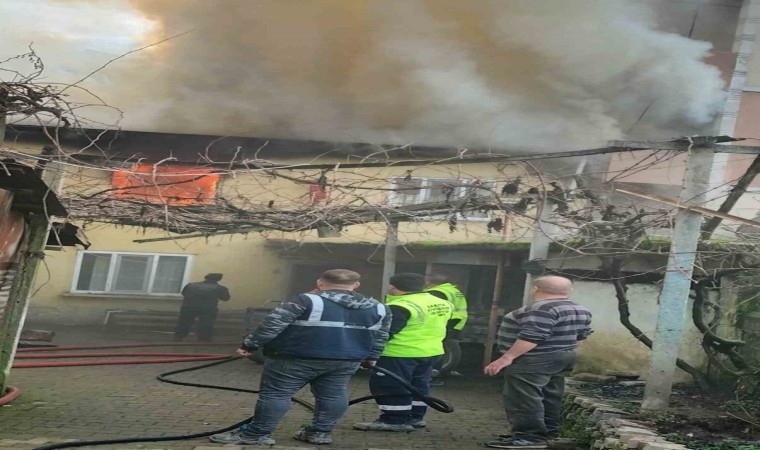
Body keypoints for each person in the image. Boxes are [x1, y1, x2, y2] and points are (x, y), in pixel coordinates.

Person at [210, 269, 391, 447]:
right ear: (356, 284)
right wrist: (372, 357)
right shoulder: (379, 308)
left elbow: (272, 324)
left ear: (320, 283)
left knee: (277, 394)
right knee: (333, 395)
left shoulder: (305, 300)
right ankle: (319, 433)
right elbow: (381, 335)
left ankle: (256, 435)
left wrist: (250, 345)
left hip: (294, 358)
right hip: (346, 360)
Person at [483, 276, 593, 449]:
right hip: (563, 356)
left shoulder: (542, 308)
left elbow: (532, 337)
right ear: (569, 290)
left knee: (523, 398)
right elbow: (582, 335)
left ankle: (529, 437)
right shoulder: (581, 309)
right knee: (550, 396)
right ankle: (549, 433)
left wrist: (506, 358)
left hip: (534, 360)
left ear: (535, 289)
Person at [354, 273, 453, 432]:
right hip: (431, 352)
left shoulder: (400, 306)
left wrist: (370, 353)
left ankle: (394, 420)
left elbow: (387, 332)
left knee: (390, 386)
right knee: (418, 385)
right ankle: (415, 417)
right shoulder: (443, 303)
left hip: (399, 353)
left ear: (392, 287)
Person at [173, 273, 231, 342]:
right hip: (208, 309)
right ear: (219, 279)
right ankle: (204, 339)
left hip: (188, 307)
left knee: (184, 323)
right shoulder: (221, 288)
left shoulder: (190, 285)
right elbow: (225, 298)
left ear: (206, 277)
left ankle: (178, 337)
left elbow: (184, 293)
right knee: (206, 324)